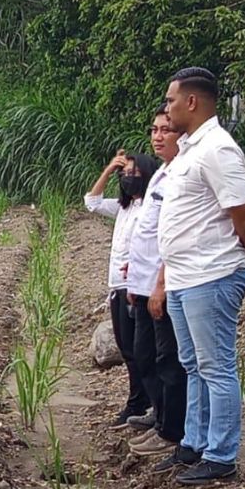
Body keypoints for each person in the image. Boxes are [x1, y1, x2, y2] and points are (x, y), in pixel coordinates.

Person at [152, 67, 245, 485]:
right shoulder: (189, 150)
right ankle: (193, 442)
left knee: (216, 366)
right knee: (193, 364)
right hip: (184, 275)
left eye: (171, 100)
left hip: (211, 274)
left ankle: (221, 454)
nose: (168, 107)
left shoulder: (218, 148)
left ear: (192, 102)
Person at [129, 105, 188, 457]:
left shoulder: (181, 174)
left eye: (166, 130)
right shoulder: (162, 174)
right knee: (145, 356)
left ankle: (171, 429)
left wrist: (159, 285)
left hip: (162, 284)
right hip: (144, 283)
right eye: (154, 130)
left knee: (168, 359)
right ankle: (160, 416)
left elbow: (173, 235)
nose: (157, 136)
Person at [84, 150, 158, 429]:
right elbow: (92, 202)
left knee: (141, 349)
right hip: (117, 285)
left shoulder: (151, 207)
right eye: (124, 174)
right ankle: (138, 401)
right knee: (127, 347)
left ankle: (145, 403)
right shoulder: (124, 207)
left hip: (138, 285)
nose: (129, 178)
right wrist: (109, 168)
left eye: (134, 173)